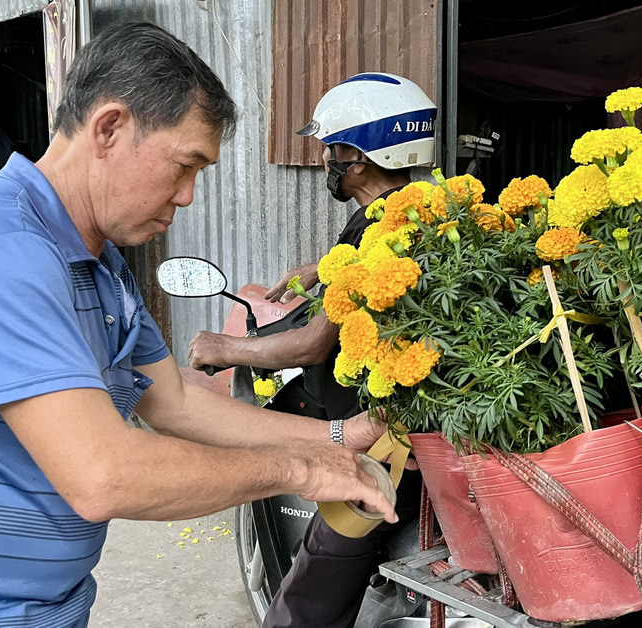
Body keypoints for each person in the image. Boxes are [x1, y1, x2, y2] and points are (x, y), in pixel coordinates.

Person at [0, 22, 395, 628]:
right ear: (109, 128)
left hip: (44, 609)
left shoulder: (100, 265)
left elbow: (173, 402)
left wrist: (340, 438)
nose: (189, 197)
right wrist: (304, 470)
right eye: (184, 166)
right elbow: (103, 474)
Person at [187, 72, 438, 628]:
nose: (326, 159)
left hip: (381, 437)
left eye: (332, 148)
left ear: (361, 155)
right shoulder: (420, 209)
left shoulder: (376, 228)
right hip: (417, 420)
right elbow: (367, 272)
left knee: (316, 580)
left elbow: (312, 342)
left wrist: (223, 347)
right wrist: (316, 270)